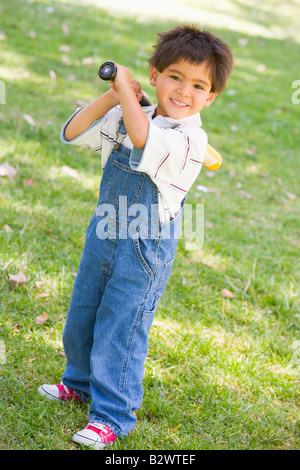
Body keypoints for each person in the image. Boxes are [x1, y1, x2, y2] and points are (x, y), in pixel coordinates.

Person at [38, 25, 233, 449]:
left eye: (199, 85)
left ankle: (112, 415)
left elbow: (144, 140)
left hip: (145, 249)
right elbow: (72, 132)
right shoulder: (133, 112)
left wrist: (128, 94)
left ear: (210, 97)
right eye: (176, 77)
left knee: (121, 328)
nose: (184, 91)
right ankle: (79, 381)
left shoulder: (191, 139)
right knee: (83, 315)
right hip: (103, 232)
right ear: (155, 75)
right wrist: (113, 95)